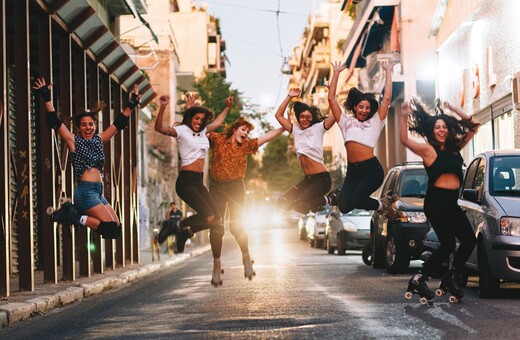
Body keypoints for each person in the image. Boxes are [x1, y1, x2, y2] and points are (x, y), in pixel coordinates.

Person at [32, 77, 141, 239]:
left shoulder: (99, 139)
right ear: (78, 128)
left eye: (91, 124)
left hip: (97, 192)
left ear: (95, 126)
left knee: (116, 229)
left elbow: (119, 123)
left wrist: (132, 104)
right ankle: (73, 215)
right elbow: (55, 121)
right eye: (83, 125)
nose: (88, 127)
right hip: (85, 192)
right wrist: (46, 97)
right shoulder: (74, 141)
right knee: (110, 228)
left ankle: (72, 214)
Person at [400, 98, 479, 301]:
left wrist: (453, 109)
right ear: (432, 130)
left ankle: (450, 277)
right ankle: (418, 279)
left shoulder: (455, 147)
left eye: (444, 126)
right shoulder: (428, 149)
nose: (442, 130)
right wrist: (402, 116)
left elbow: (474, 125)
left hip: (452, 202)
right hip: (436, 202)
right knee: (447, 245)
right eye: (437, 127)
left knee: (469, 239)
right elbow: (404, 140)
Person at [154, 94, 232, 274]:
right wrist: (163, 107)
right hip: (186, 181)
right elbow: (158, 127)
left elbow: (219, 122)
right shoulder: (181, 131)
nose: (199, 122)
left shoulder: (204, 132)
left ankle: (183, 232)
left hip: (198, 182)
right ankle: (177, 227)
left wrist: (227, 107)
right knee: (208, 215)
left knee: (217, 219)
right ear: (190, 118)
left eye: (202, 119)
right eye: (196, 118)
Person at [208, 117, 284, 284]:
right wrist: (190, 110)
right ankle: (216, 265)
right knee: (216, 226)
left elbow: (267, 136)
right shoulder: (218, 139)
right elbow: (199, 133)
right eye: (243, 130)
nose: (246, 134)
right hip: (216, 188)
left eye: (248, 132)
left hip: (236, 188)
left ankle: (246, 256)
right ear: (234, 130)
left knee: (236, 226)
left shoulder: (247, 146)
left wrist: (284, 127)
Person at [327, 60, 400, 219]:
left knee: (358, 199)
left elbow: (386, 99)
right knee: (345, 206)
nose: (364, 110)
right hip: (353, 170)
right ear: (355, 107)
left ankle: (382, 206)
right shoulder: (345, 122)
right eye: (361, 107)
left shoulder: (375, 121)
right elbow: (331, 99)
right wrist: (336, 73)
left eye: (367, 108)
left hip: (371, 170)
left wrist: (388, 71)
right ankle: (381, 202)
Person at [274, 88, 337, 214]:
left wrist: (331, 95)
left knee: (300, 205)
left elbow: (336, 114)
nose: (305, 119)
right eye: (302, 117)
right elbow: (278, 115)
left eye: (309, 117)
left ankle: (331, 198)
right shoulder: (295, 131)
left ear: (313, 118)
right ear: (298, 117)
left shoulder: (319, 128)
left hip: (322, 179)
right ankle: (314, 204)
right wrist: (289, 97)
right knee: (281, 202)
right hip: (308, 180)